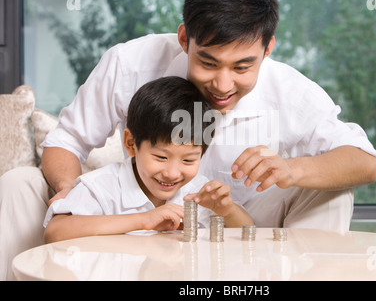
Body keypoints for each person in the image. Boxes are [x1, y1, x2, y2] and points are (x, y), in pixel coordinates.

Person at [0, 0, 376, 280]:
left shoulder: (290, 90)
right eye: (208, 62)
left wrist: (292, 169)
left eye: (242, 67)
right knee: (19, 181)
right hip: (135, 222)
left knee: (331, 191)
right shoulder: (130, 62)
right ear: (184, 39)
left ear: (268, 49)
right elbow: (66, 141)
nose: (223, 83)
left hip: (244, 226)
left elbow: (364, 162)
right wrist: (69, 196)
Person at [44, 77, 253, 243]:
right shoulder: (102, 187)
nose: (172, 172)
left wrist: (228, 210)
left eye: (188, 161)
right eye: (161, 157)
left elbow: (251, 234)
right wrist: (143, 221)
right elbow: (55, 232)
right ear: (131, 143)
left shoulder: (200, 192)